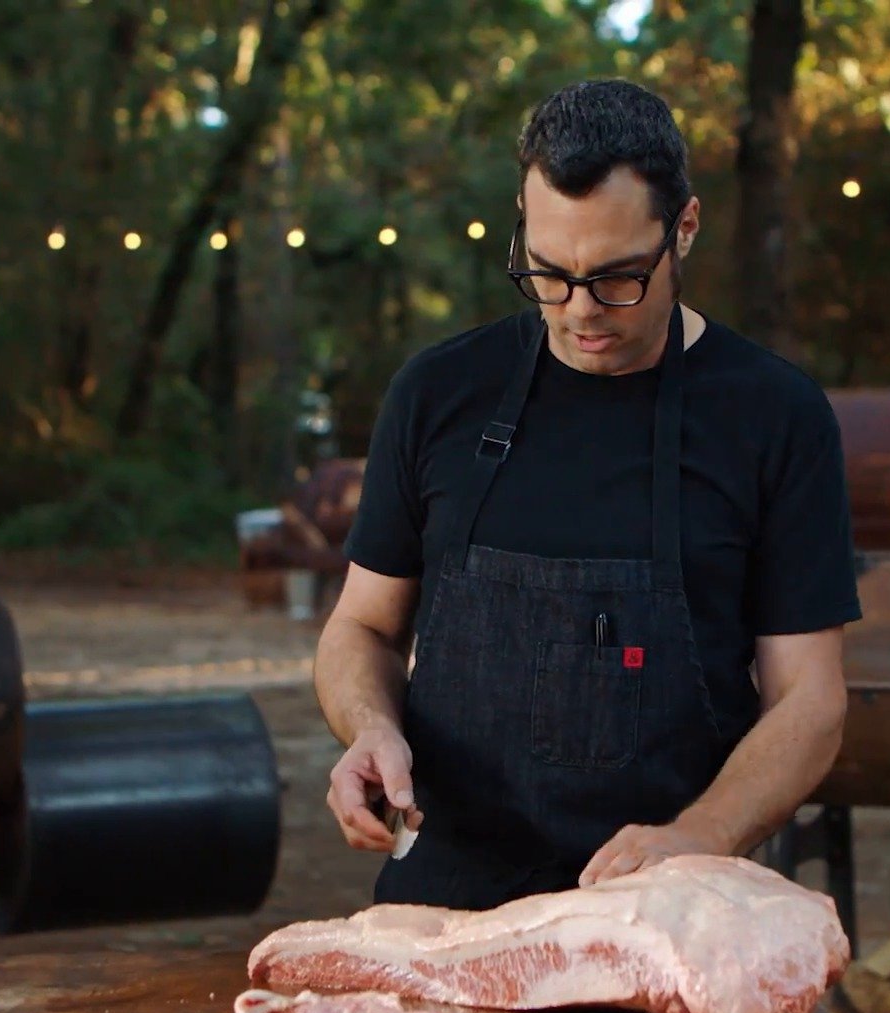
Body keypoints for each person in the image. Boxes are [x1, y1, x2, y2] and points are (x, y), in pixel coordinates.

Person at [312, 78, 861, 911]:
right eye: (547, 275)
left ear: (684, 228)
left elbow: (811, 700)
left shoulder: (774, 416)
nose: (577, 313)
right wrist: (370, 728)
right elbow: (362, 627)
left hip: (671, 908)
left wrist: (699, 836)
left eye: (616, 279)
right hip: (447, 907)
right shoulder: (436, 394)